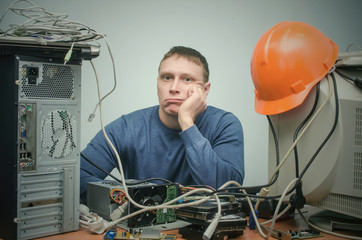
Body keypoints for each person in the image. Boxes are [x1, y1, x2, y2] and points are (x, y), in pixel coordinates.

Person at [80, 46, 244, 202]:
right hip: (141, 225)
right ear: (157, 83)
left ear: (205, 90)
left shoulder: (224, 124)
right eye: (167, 77)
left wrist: (187, 122)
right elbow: (77, 177)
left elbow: (228, 189)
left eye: (187, 79)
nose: (174, 88)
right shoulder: (126, 128)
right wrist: (130, 201)